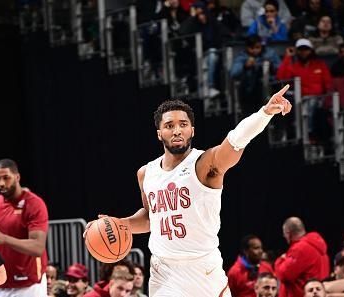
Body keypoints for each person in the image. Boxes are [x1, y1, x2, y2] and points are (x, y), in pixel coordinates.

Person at [85, 86, 292, 297]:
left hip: (202, 269)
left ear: (192, 130)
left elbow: (235, 142)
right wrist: (120, 225)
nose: (177, 130)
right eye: (169, 125)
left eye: (183, 124)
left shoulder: (204, 164)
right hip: (164, 271)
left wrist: (264, 114)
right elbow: (151, 218)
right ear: (159, 133)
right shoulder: (146, 173)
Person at [0, 158, 48, 297]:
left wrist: (3, 238)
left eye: (6, 178)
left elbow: (37, 247)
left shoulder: (34, 204)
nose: (1, 183)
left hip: (28, 285)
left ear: (17, 177)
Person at [275, 217, 330, 297]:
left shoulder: (299, 249)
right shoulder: (318, 245)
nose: (284, 237)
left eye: (284, 234)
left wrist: (280, 260)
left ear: (288, 233)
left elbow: (283, 275)